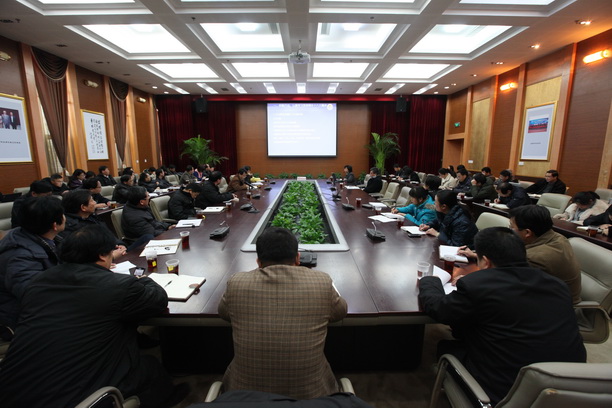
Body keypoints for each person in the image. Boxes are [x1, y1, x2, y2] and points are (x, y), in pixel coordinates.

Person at [0, 225, 189, 408]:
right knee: (150, 365)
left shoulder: (38, 283)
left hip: (11, 391)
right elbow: (157, 299)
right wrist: (145, 280)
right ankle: (168, 398)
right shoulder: (118, 287)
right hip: (71, 397)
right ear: (102, 255)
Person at [419, 227, 586, 406]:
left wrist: (430, 280)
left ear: (486, 262)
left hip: (506, 395)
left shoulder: (477, 286)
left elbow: (439, 310)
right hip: (570, 387)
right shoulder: (557, 285)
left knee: (446, 347)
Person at [218, 227, 347, 399]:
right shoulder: (321, 281)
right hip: (312, 397)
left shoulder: (236, 283)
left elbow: (224, 313)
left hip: (243, 397)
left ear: (258, 262)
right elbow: (340, 312)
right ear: (298, 258)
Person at [0, 196, 64, 331]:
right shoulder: (19, 255)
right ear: (55, 225)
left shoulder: (45, 237)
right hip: (26, 320)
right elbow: (35, 295)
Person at [59, 189, 127, 258]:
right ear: (83, 207)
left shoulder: (92, 217)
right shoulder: (70, 227)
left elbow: (108, 235)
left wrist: (120, 245)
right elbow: (82, 255)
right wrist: (110, 257)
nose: (95, 203)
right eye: (92, 200)